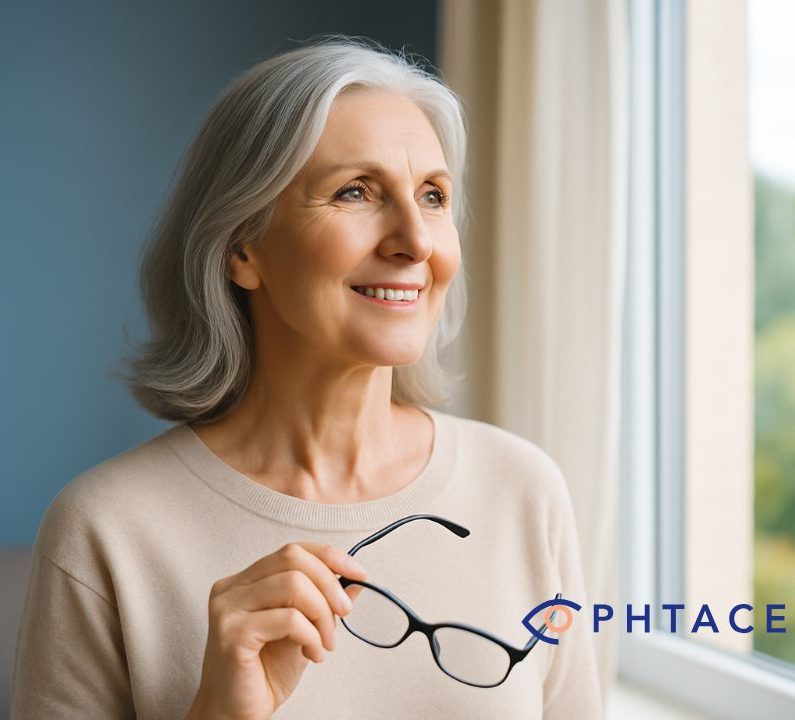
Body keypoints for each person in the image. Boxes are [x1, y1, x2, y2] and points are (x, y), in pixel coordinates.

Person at [10, 37, 603, 720]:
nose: (415, 240)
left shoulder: (522, 490)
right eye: (356, 191)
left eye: (434, 196)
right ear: (242, 248)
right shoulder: (105, 530)